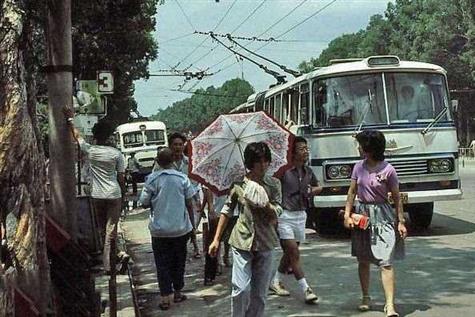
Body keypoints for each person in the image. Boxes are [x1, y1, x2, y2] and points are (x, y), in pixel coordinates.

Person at [209, 142, 282, 317]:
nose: (263, 166)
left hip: (265, 242)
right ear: (250, 163)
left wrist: (265, 206)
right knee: (240, 289)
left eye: (266, 161)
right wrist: (216, 239)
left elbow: (278, 211)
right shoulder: (238, 185)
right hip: (242, 241)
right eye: (259, 162)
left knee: (260, 294)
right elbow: (226, 211)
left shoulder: (273, 184)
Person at [343, 130, 407, 317]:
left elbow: (397, 197)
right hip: (362, 216)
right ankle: (365, 297)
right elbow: (352, 193)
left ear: (369, 148)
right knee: (363, 259)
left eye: (362, 144)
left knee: (386, 261)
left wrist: (400, 222)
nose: (359, 147)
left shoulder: (388, 170)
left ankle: (390, 305)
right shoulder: (358, 167)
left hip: (384, 216)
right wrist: (347, 215)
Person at [65, 110, 126, 275]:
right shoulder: (116, 154)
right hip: (114, 194)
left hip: (97, 195)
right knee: (111, 230)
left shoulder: (90, 151)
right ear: (109, 136)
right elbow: (121, 178)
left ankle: (114, 258)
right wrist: (124, 195)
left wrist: (70, 119)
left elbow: (77, 137)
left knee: (101, 230)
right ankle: (111, 262)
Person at [139, 148, 196, 311]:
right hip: (180, 229)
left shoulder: (151, 180)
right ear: (173, 160)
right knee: (178, 262)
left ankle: (165, 298)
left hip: (159, 231)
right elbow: (189, 203)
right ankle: (177, 292)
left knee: (162, 264)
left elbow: (143, 202)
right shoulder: (182, 179)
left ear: (157, 161)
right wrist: (192, 227)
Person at [269, 136, 322, 304]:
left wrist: (311, 191)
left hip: (301, 215)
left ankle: (275, 281)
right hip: (285, 215)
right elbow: (272, 190)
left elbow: (319, 186)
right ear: (293, 152)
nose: (305, 151)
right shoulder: (284, 172)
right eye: (301, 149)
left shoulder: (308, 171)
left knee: (289, 253)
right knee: (294, 253)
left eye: (306, 148)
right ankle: (306, 289)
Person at [168, 132, 203, 258]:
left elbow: (194, 182)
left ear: (184, 146)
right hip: (172, 199)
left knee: (191, 221)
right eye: (175, 144)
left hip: (188, 197)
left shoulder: (189, 163)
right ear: (170, 146)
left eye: (180, 144)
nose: (178, 147)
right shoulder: (165, 163)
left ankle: (195, 246)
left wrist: (195, 198)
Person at [202, 187, 227, 285]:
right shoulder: (212, 173)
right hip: (216, 212)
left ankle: (218, 263)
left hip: (230, 211)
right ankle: (209, 274)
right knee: (213, 242)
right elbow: (207, 190)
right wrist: (211, 206)